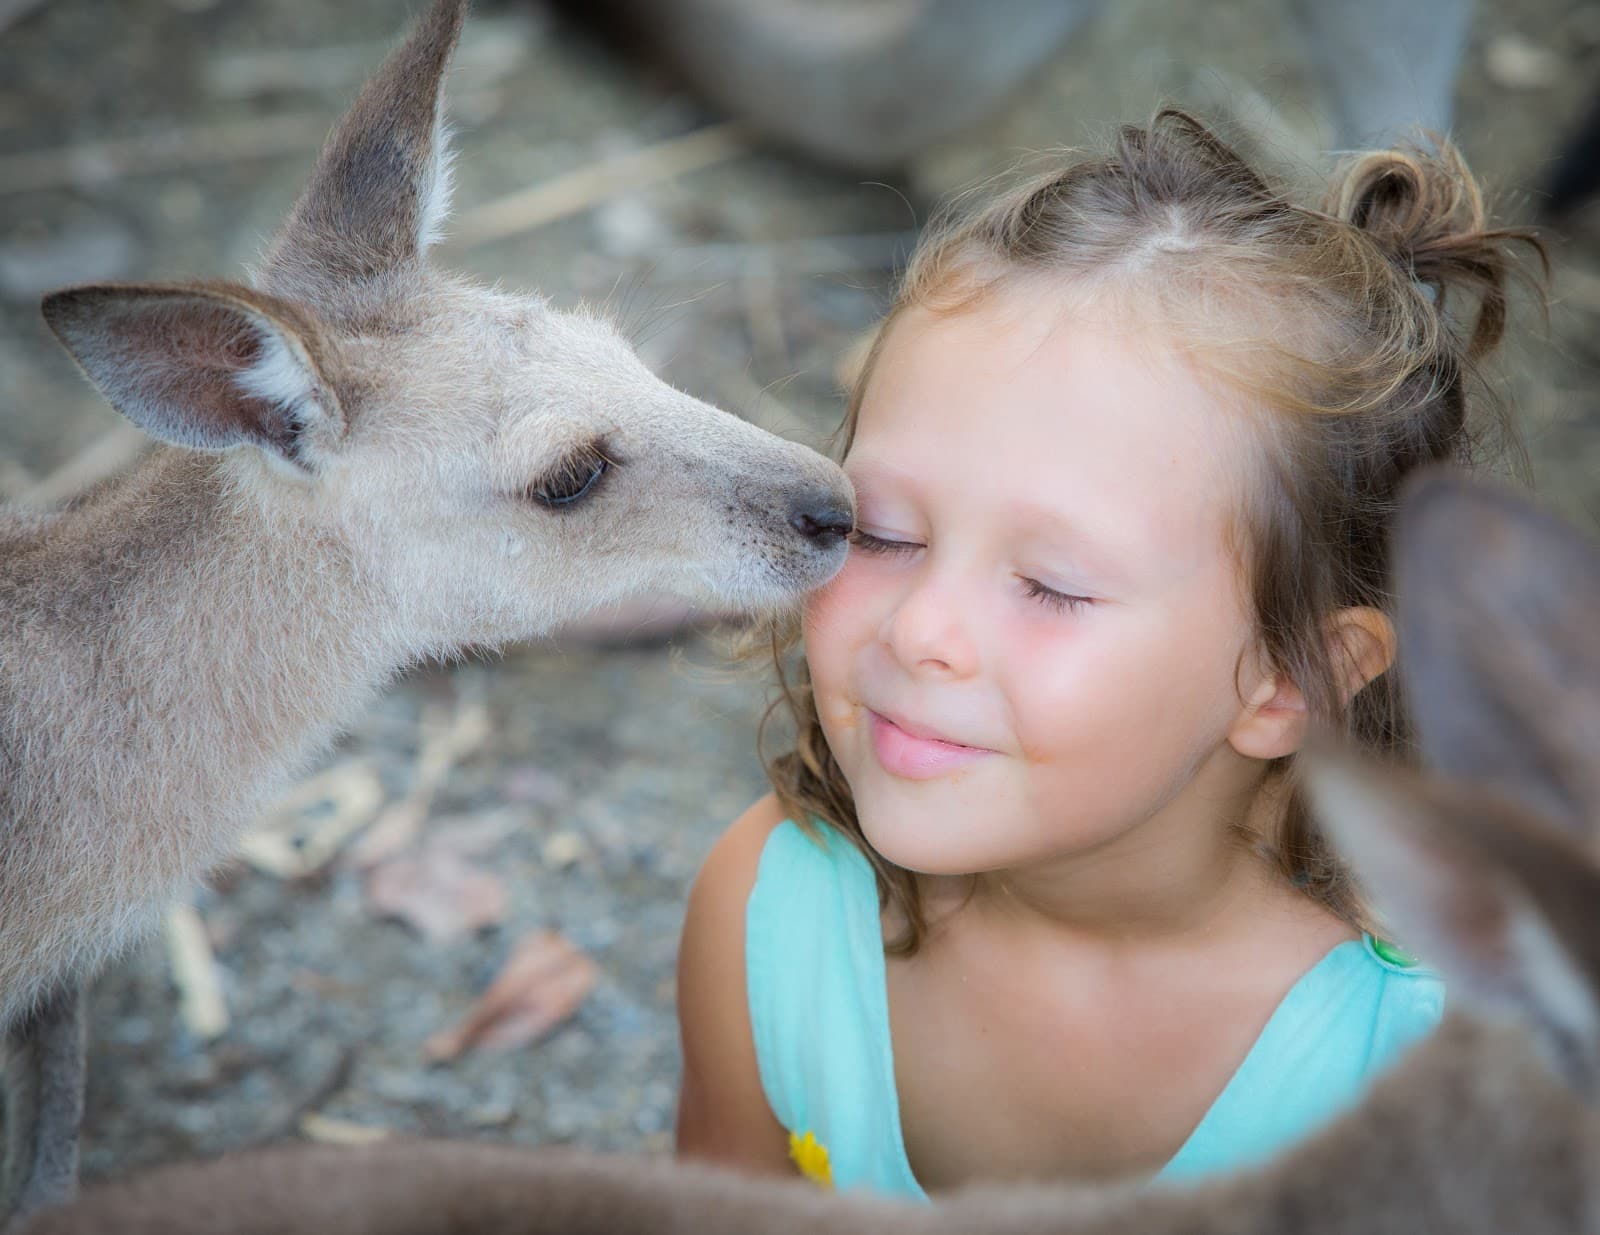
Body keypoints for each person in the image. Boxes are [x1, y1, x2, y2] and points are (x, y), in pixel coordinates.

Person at [673, 109, 1544, 1199]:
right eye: (884, 531)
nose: (917, 630)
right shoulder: (768, 918)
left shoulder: (1443, 1065)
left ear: (1294, 677)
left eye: (1052, 585)